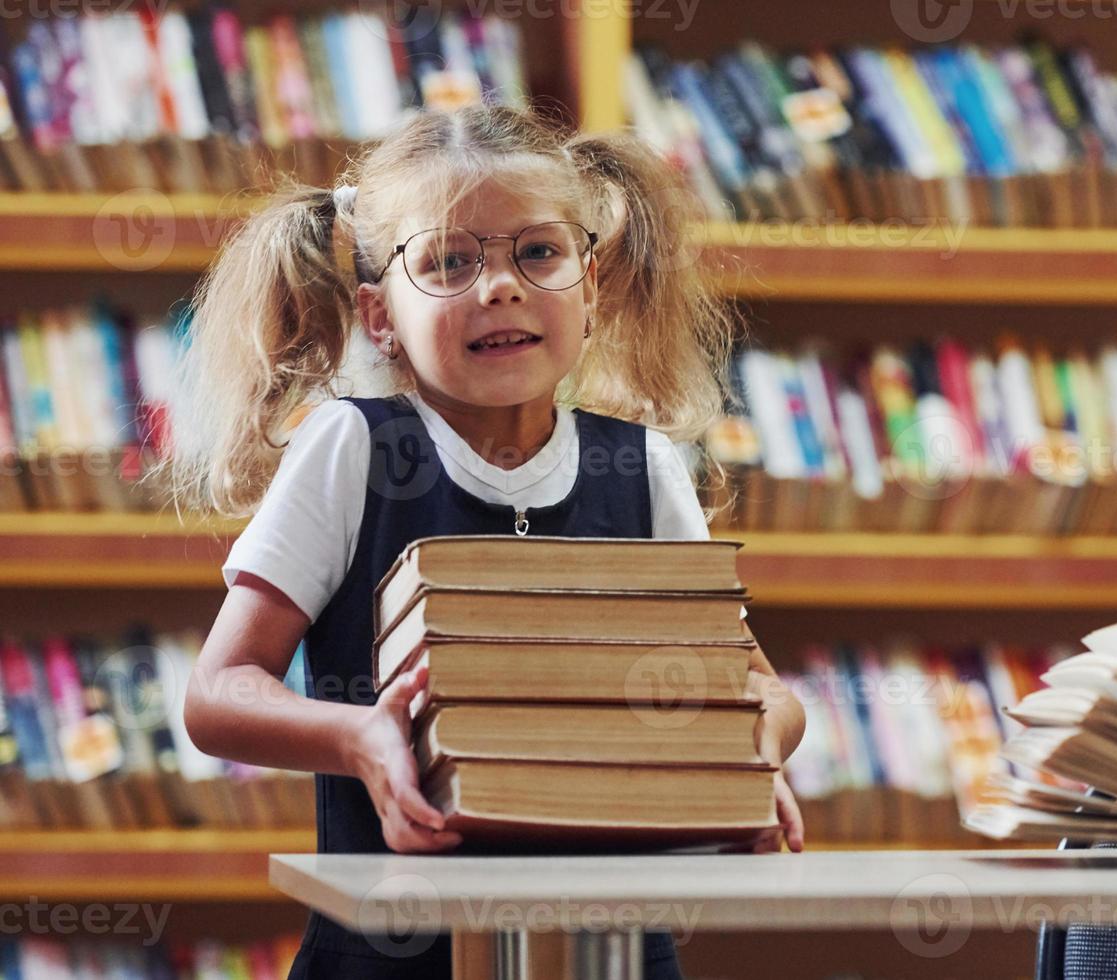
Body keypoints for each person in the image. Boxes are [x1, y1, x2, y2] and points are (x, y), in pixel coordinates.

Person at [173, 102, 806, 979]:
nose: (499, 286)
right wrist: (361, 737)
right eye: (447, 261)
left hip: (612, 956)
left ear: (590, 284)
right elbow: (218, 693)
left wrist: (746, 750)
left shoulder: (647, 470)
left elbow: (764, 695)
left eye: (537, 252)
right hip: (389, 959)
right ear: (380, 317)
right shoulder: (352, 447)